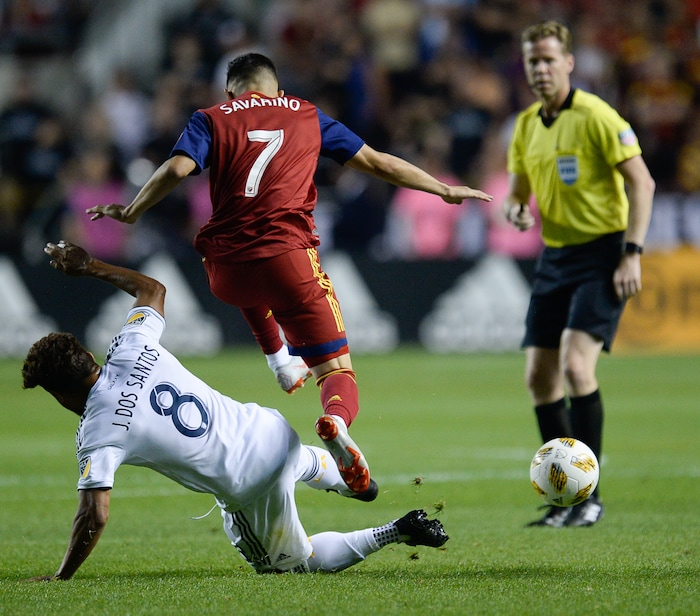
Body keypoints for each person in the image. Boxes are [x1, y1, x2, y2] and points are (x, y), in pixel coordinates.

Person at [86, 52, 493, 497]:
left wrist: (131, 211)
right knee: (337, 370)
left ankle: (278, 359)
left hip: (225, 270)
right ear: (277, 90)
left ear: (230, 92)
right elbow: (377, 162)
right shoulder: (306, 113)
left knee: (248, 275)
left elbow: (177, 169)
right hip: (288, 259)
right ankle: (335, 421)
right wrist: (443, 188)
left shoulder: (211, 117)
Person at [22, 240, 449, 581]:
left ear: (59, 394)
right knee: (291, 460)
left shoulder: (97, 431)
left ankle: (396, 528)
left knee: (291, 564)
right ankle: (355, 481)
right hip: (268, 429)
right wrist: (89, 265)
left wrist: (62, 576)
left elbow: (95, 512)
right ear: (87, 355)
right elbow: (153, 290)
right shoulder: (130, 345)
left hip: (248, 484)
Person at [504, 21, 655, 527]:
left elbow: (643, 182)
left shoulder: (596, 116)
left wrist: (631, 252)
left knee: (575, 367)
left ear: (569, 63)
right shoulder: (526, 124)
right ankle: (566, 498)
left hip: (603, 254)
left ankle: (590, 496)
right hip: (556, 256)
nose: (541, 69)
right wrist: (518, 208)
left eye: (549, 59)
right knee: (539, 379)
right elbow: (518, 191)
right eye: (533, 61)